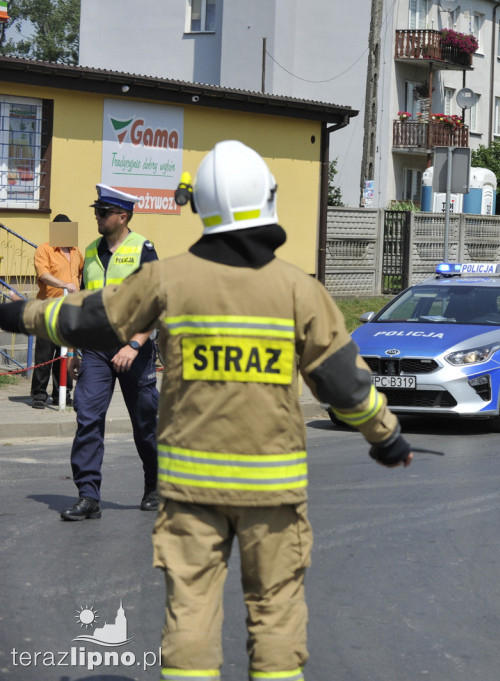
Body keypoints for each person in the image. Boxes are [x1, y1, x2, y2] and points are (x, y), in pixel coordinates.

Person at [0, 140, 414, 681]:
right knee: (275, 614)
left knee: (191, 613)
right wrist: (386, 437)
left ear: (202, 207)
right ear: (267, 200)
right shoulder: (298, 289)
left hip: (192, 489)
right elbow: (345, 385)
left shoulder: (168, 278)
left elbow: (86, 318)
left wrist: (15, 313)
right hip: (272, 490)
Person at [60, 185, 161, 521]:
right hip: (95, 350)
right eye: (96, 211)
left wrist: (134, 345)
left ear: (123, 216)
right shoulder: (89, 251)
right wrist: (75, 349)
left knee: (146, 422)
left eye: (103, 212)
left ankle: (155, 486)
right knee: (87, 418)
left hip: (135, 350)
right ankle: (89, 496)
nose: (97, 217)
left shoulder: (143, 249)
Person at [30, 213, 83, 409]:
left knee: (67, 354)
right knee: (45, 355)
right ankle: (39, 395)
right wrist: (65, 285)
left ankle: (62, 392)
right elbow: (43, 274)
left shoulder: (77, 251)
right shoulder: (44, 249)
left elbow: (80, 275)